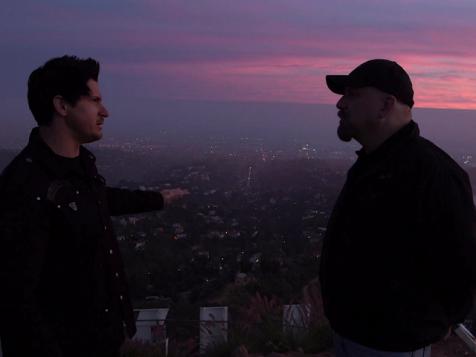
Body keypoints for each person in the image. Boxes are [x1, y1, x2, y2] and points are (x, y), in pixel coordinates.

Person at [0, 55, 188, 357]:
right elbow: (16, 301)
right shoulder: (25, 185)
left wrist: (159, 198)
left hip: (102, 340)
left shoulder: (78, 169)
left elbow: (102, 199)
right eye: (95, 101)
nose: (105, 111)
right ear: (62, 106)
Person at [319, 59, 476, 356]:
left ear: (385, 105)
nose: (340, 104)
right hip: (350, 337)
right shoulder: (372, 164)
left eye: (353, 94)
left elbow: (462, 265)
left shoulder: (433, 173)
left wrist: (443, 321)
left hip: (393, 346)